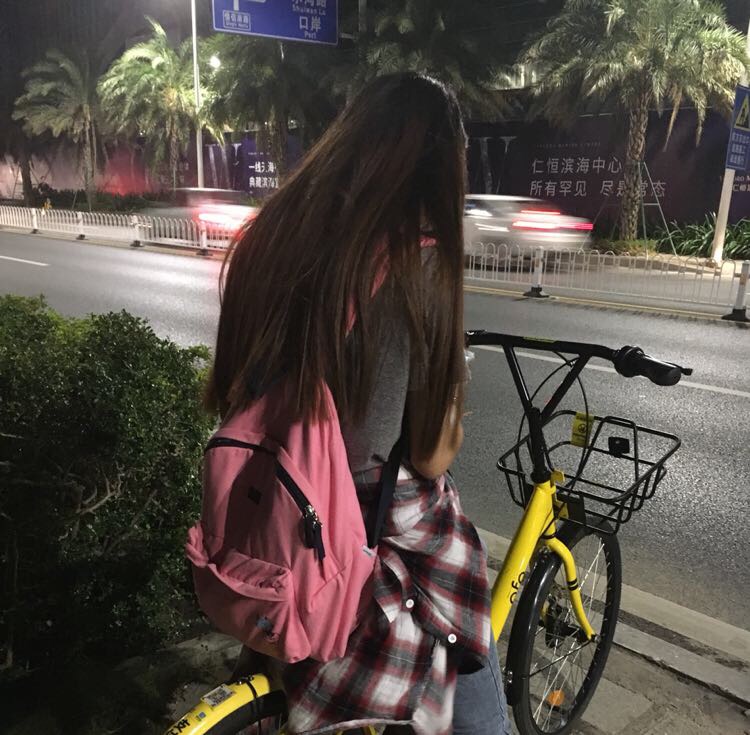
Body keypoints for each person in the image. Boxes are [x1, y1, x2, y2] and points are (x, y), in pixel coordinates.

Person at [206, 72, 511, 735]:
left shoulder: (268, 238)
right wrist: (452, 393)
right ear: (439, 167)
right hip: (361, 529)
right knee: (473, 664)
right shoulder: (419, 261)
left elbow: (235, 382)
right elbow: (430, 454)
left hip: (265, 506)